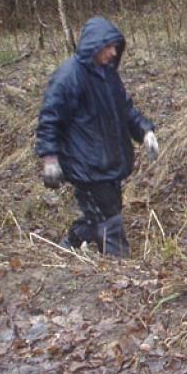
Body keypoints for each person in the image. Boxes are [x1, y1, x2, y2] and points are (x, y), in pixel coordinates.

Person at [36, 16, 159, 257]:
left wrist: (145, 131)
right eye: (109, 47)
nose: (114, 52)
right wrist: (49, 158)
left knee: (101, 214)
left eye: (116, 46)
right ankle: (119, 272)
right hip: (85, 165)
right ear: (94, 46)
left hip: (110, 161)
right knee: (110, 221)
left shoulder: (108, 75)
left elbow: (125, 109)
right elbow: (50, 119)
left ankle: (71, 243)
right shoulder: (68, 77)